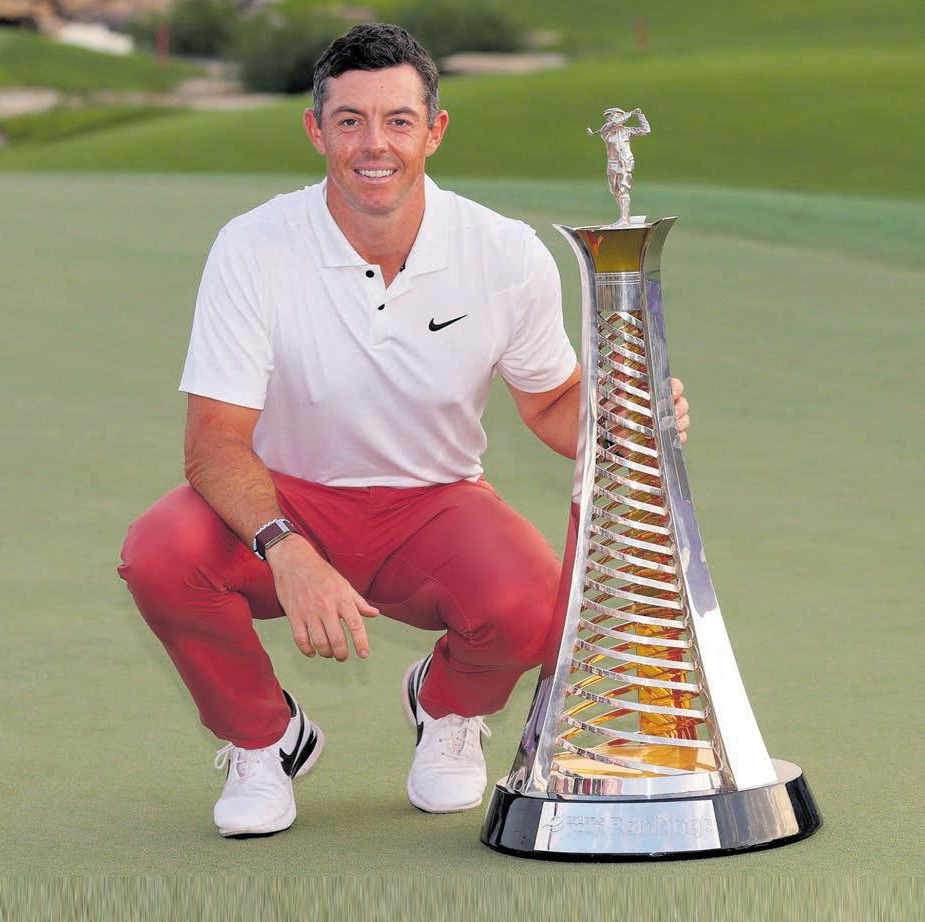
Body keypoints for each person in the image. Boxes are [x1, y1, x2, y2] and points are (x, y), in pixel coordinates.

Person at [118, 23, 691, 839]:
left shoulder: (503, 252)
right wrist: (286, 548)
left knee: (536, 607)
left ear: (434, 130)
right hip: (285, 499)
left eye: (397, 120)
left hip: (435, 501)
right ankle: (264, 739)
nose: (373, 144)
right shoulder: (252, 246)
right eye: (349, 121)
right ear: (316, 131)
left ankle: (446, 705)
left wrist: (625, 416)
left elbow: (552, 403)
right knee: (161, 555)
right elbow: (213, 443)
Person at [587, 107, 651, 225]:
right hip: (612, 164)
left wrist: (640, 116)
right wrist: (630, 113)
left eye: (612, 115)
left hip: (625, 162)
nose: (609, 118)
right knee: (614, 191)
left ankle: (625, 219)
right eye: (609, 117)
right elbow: (614, 124)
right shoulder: (605, 130)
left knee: (623, 190)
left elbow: (646, 130)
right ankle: (626, 215)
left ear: (619, 115)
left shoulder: (627, 131)